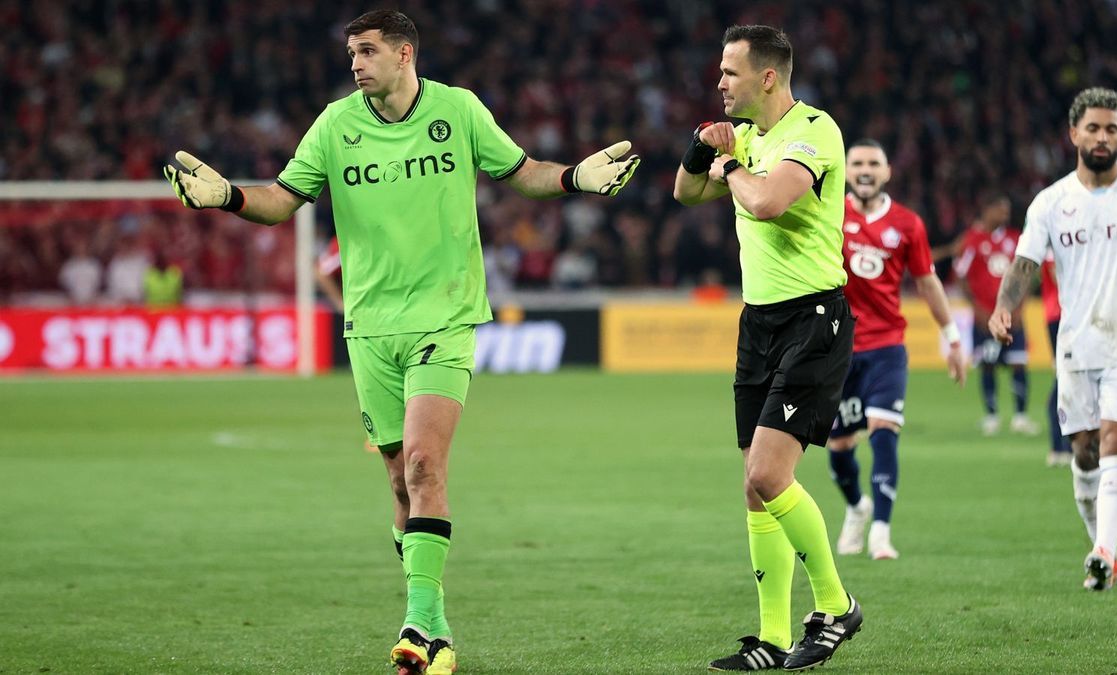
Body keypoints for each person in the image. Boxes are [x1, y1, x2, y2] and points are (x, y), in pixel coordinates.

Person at [164, 10, 639, 674]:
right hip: (369, 327)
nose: (354, 63)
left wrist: (573, 177)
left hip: (444, 317)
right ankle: (437, 621)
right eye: (350, 53)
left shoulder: (459, 110)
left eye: (366, 51)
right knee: (397, 480)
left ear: (404, 53)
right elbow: (280, 199)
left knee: (422, 464)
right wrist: (226, 197)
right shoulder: (335, 125)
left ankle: (418, 623)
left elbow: (521, 170)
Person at [673, 24, 861, 672]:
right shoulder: (749, 138)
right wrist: (704, 150)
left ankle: (837, 605)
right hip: (760, 324)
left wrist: (730, 165)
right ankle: (773, 637)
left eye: (729, 72)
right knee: (755, 488)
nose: (720, 83)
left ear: (768, 76)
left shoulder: (814, 131)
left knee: (766, 474)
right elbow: (685, 191)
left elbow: (769, 201)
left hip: (814, 319)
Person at [989, 87, 1117, 592]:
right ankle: (1103, 549)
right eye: (1093, 128)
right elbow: (1023, 264)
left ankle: (1103, 548)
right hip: (1076, 343)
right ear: (1073, 134)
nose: (1101, 137)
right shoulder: (1050, 203)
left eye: (1111, 129)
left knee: (1115, 438)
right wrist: (1003, 305)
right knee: (1084, 450)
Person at [828, 139, 968, 561]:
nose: (865, 170)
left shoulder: (907, 224)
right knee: (839, 448)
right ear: (846, 170)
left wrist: (953, 337)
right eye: (857, 163)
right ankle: (857, 508)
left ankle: (881, 533)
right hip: (836, 348)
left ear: (888, 171)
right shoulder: (828, 212)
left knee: (884, 434)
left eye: (874, 163)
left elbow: (927, 282)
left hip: (887, 347)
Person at [955, 193, 1038, 436]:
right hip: (985, 319)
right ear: (987, 210)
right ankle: (991, 417)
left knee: (1019, 363)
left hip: (1013, 316)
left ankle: (1021, 417)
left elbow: (1029, 275)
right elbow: (961, 277)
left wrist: (1020, 307)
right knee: (987, 365)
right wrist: (977, 309)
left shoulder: (1015, 239)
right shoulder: (972, 240)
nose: (1005, 214)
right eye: (1000, 209)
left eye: (1006, 210)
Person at [1040, 254, 1073, 467]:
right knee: (1066, 382)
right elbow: (1057, 275)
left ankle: (1061, 447)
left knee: (1065, 381)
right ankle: (1063, 447)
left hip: (1062, 315)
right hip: (1062, 316)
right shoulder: (1056, 238)